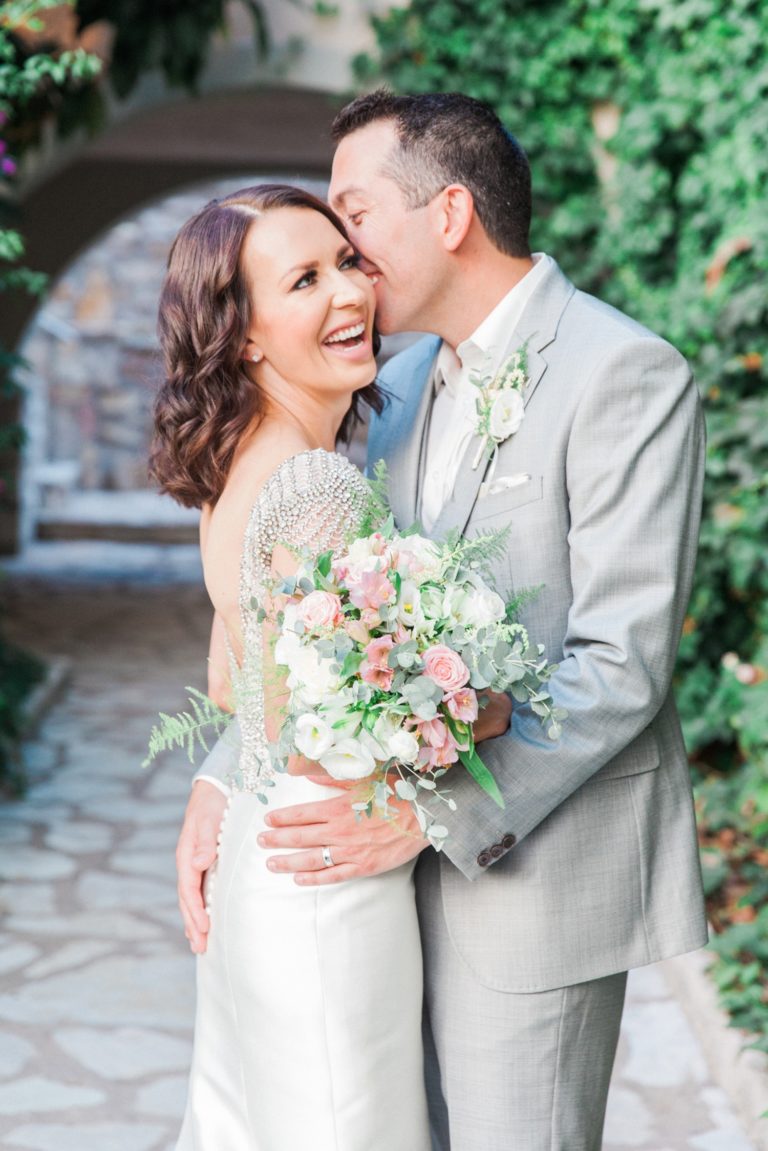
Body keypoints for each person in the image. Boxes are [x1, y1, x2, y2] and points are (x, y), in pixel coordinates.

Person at [178, 93, 708, 1151]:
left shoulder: (626, 375)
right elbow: (325, 620)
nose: (348, 255)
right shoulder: (394, 376)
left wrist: (430, 813)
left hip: (530, 891)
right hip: (371, 902)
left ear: (450, 213)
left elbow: (623, 660)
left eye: (355, 217)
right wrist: (221, 772)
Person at [151, 183, 442, 1149]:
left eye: (348, 262)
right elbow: (355, 735)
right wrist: (460, 709)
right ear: (245, 337)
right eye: (305, 279)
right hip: (325, 876)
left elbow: (237, 686)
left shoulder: (242, 460)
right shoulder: (316, 484)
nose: (349, 293)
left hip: (262, 857)